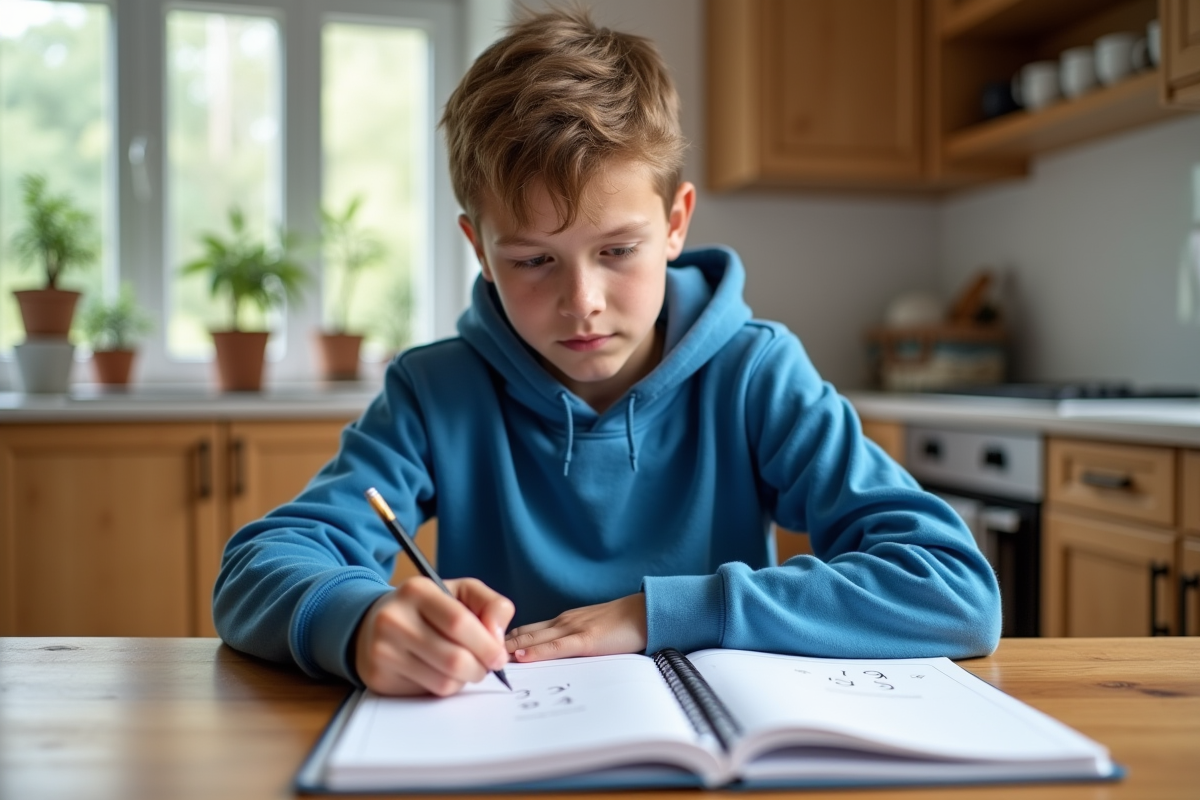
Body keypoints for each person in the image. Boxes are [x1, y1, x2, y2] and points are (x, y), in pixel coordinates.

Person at [213, 7, 1001, 698]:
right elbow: (259, 565)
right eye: (532, 261)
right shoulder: (435, 391)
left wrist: (658, 613)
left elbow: (953, 587)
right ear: (479, 251)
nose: (581, 301)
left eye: (618, 251)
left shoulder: (755, 375)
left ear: (676, 223)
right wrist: (359, 622)